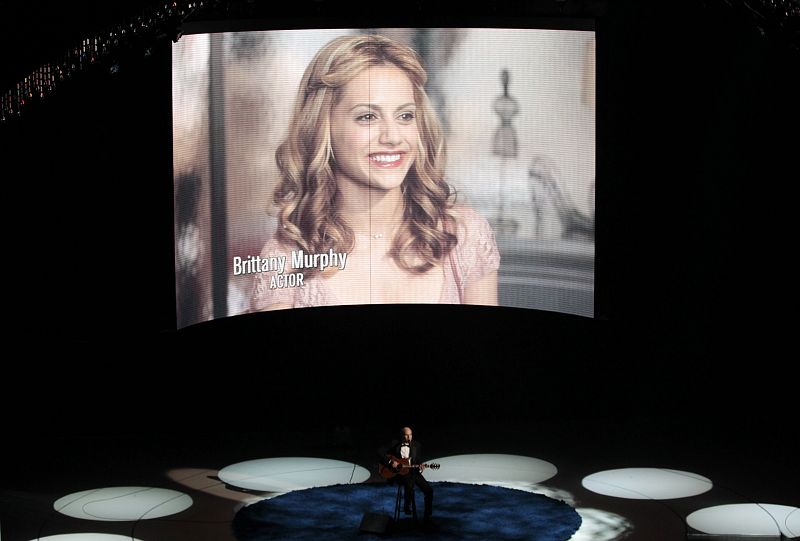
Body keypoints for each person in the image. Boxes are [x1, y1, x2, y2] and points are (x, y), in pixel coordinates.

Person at [251, 33, 499, 310]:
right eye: (367, 117)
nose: (393, 137)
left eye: (405, 116)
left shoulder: (464, 235)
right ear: (323, 127)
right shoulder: (286, 258)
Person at [378, 426, 433, 521]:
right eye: (406, 435)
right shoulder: (394, 444)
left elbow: (418, 460)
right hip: (400, 473)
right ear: (401, 436)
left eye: (410, 435)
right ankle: (407, 506)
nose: (409, 438)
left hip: (414, 472)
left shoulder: (417, 445)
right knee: (409, 484)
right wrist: (391, 462)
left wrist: (420, 466)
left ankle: (427, 516)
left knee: (429, 490)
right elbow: (379, 452)